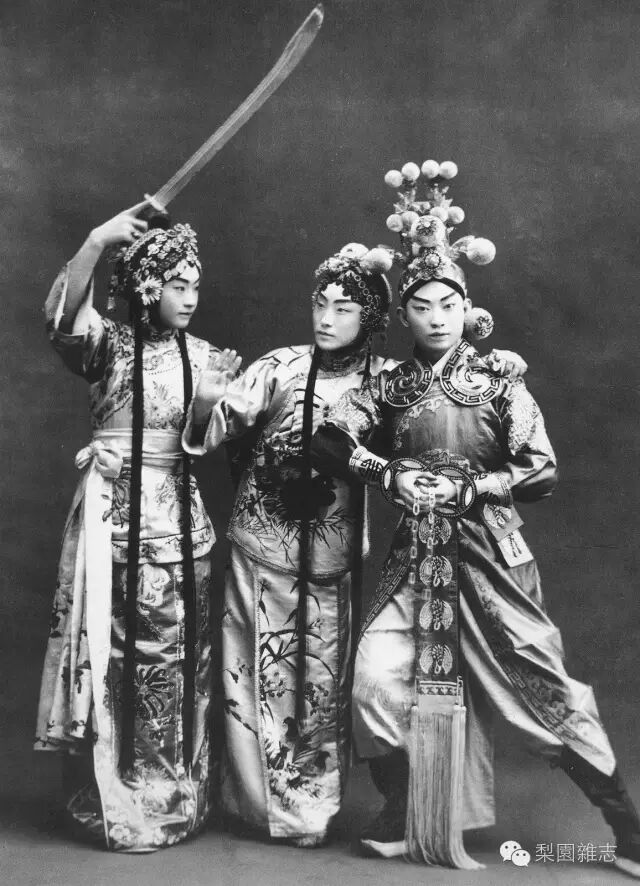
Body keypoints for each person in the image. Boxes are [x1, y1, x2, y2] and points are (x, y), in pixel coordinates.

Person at [311, 158, 640, 877]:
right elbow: (330, 439)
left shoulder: (499, 380)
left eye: (447, 304)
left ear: (467, 309)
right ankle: (404, 805)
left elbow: (541, 469)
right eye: (421, 306)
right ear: (403, 316)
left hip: (489, 552)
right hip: (413, 557)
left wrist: (474, 489)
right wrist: (389, 471)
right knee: (373, 678)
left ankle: (625, 823)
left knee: (539, 687)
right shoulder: (391, 386)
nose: (435, 317)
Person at [183, 240, 524, 849]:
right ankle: (250, 804)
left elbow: (436, 395)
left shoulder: (383, 381)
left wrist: (496, 370)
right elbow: (214, 431)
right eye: (320, 304)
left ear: (370, 319)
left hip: (331, 550)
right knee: (247, 675)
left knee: (321, 678)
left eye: (344, 309)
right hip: (260, 540)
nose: (326, 319)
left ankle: (310, 807)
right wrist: (208, 402)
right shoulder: (279, 366)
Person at [35, 203, 239, 852]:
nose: (191, 297)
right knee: (113, 650)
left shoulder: (205, 356)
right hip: (114, 513)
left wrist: (207, 407)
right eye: (177, 285)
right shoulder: (110, 346)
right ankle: (113, 790)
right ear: (147, 289)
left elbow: (206, 444)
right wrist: (97, 240)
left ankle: (175, 790)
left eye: (196, 285)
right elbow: (64, 318)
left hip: (178, 517)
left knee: (180, 654)